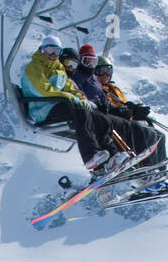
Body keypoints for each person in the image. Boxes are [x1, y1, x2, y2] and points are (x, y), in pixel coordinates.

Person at [21, 35, 129, 174]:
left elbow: (69, 88)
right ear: (42, 50)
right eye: (50, 50)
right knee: (79, 109)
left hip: (58, 105)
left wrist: (82, 99)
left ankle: (112, 157)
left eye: (57, 51)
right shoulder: (34, 68)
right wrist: (70, 98)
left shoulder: (58, 68)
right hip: (43, 109)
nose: (53, 54)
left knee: (98, 117)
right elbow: (43, 89)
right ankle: (90, 156)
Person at [93, 56, 167, 167]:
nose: (105, 75)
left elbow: (123, 105)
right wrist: (126, 111)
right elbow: (106, 107)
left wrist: (134, 110)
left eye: (108, 71)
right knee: (145, 132)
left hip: (124, 118)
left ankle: (159, 169)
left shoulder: (114, 89)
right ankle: (144, 166)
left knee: (160, 135)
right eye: (101, 71)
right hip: (114, 119)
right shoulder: (95, 88)